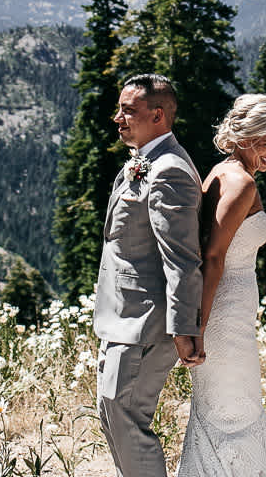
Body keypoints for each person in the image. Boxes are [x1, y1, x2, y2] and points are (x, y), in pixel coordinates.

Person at [176, 93, 266, 477]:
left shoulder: (221, 172)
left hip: (229, 314)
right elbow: (212, 256)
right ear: (244, 137)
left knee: (222, 409)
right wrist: (198, 327)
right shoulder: (241, 183)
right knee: (234, 411)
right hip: (223, 318)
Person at [94, 74, 205, 477]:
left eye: (128, 111)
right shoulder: (146, 158)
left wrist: (183, 327)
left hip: (146, 321)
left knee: (124, 414)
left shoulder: (169, 169)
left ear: (158, 115)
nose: (117, 119)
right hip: (122, 317)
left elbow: (181, 257)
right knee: (111, 413)